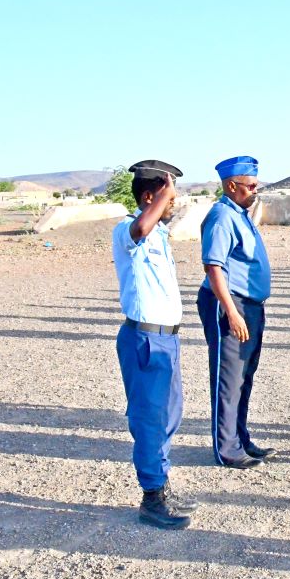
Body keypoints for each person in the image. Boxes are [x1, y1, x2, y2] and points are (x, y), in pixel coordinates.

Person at [112, 160, 196, 530]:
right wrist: (160, 200)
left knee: (168, 416)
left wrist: (161, 202)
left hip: (166, 338)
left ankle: (161, 484)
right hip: (145, 337)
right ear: (150, 196)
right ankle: (151, 497)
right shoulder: (126, 230)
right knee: (149, 418)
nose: (173, 204)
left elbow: (151, 226)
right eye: (168, 196)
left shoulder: (159, 233)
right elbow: (140, 227)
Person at [197, 155, 274, 470]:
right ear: (232, 186)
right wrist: (232, 312)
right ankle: (226, 449)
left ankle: (240, 438)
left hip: (249, 305)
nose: (255, 190)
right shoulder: (221, 216)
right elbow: (213, 266)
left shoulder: (239, 214)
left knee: (244, 375)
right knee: (228, 378)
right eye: (251, 185)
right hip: (230, 304)